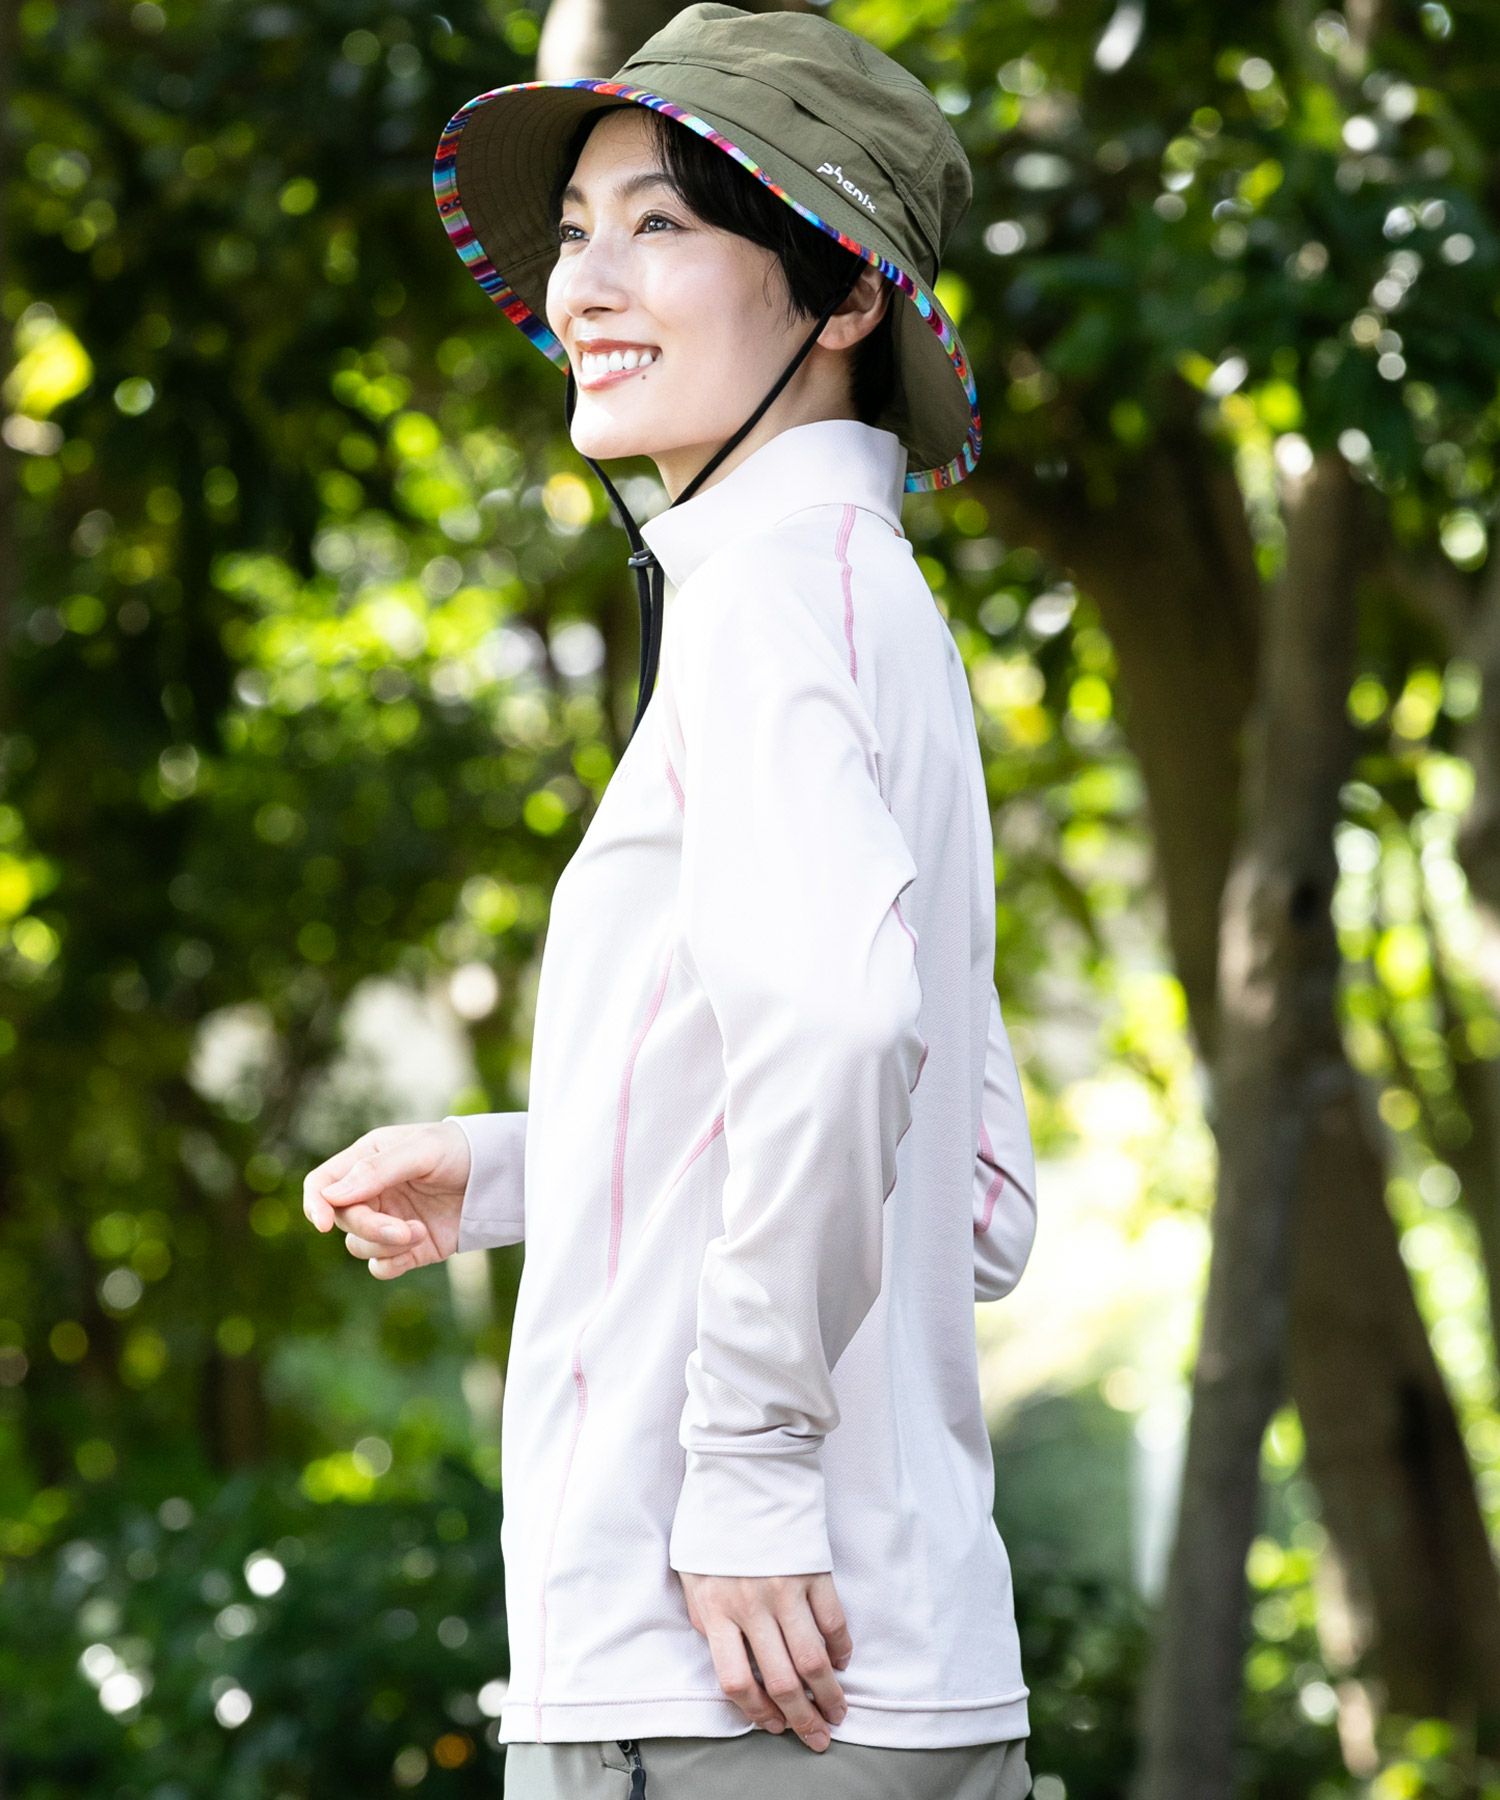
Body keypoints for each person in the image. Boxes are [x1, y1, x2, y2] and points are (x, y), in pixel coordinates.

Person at [302, 7, 1040, 1797]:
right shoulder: (869, 604)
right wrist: (520, 1168)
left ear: (841, 294)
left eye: (661, 224)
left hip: (727, 1694)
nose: (586, 284)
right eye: (574, 231)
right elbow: (972, 1188)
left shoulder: (771, 600)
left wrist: (752, 1469)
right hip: (870, 1689)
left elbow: (848, 1040)